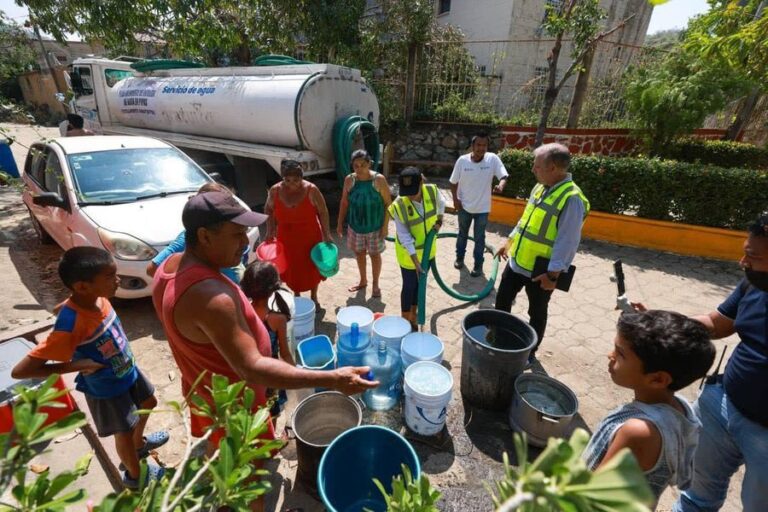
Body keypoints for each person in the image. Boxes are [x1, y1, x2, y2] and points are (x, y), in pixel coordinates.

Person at [151, 191, 376, 511]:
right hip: (233, 409)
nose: (246, 243)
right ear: (203, 236)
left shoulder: (169, 269)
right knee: (247, 485)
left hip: (205, 393)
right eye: (237, 234)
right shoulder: (209, 296)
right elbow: (252, 367)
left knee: (230, 466)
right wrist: (335, 377)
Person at [12, 247, 167, 489]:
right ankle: (136, 477)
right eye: (109, 276)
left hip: (128, 371)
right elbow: (21, 371)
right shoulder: (70, 325)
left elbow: (67, 304)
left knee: (148, 403)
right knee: (123, 431)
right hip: (107, 389)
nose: (117, 280)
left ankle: (138, 447)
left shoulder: (97, 298)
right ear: (82, 286)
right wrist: (76, 365)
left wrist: (65, 305)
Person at [665, 215, 768, 512]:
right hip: (721, 406)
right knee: (695, 497)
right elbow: (719, 322)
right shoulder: (754, 283)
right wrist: (668, 321)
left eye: (752, 256)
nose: (742, 262)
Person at [583, 310, 715, 507]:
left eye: (620, 353)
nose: (610, 355)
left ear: (658, 379)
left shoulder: (639, 432)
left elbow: (592, 498)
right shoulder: (679, 407)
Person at [494, 143, 589, 364]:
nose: (533, 170)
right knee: (502, 301)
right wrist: (509, 242)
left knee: (536, 313)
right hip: (518, 261)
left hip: (541, 272)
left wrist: (553, 275)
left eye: (537, 166)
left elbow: (568, 241)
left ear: (554, 168)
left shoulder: (572, 198)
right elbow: (526, 220)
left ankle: (529, 353)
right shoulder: (540, 187)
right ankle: (500, 339)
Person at [145, 182, 248, 282]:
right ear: (204, 236)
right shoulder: (186, 239)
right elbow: (152, 269)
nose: (245, 241)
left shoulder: (233, 239)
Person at [265, 160, 333, 303]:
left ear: (302, 178)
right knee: (292, 266)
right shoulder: (275, 190)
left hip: (310, 236)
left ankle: (314, 296)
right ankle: (296, 295)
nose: (291, 183)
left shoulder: (311, 190)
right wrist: (269, 230)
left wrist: (326, 234)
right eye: (287, 180)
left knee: (312, 265)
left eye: (296, 180)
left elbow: (323, 211)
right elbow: (268, 209)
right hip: (286, 237)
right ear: (282, 178)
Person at [388, 167, 445, 330]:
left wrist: (439, 221)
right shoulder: (399, 205)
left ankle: (414, 315)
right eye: (407, 191)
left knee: (420, 286)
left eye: (413, 190)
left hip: (427, 251)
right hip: (408, 255)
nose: (410, 195)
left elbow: (441, 204)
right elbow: (404, 236)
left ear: (421, 181)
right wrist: (416, 262)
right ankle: (406, 321)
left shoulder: (432, 191)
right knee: (410, 285)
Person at [241, 260, 294, 426]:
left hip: (246, 374)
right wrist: (295, 372)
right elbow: (284, 353)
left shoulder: (241, 312)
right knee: (271, 412)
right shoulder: (277, 319)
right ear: (273, 289)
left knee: (252, 409)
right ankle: (271, 440)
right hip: (270, 375)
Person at [450, 132, 508, 277]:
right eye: (478, 145)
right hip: (464, 207)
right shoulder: (462, 161)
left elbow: (503, 175)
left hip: (482, 208)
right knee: (462, 234)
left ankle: (478, 266)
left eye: (484, 145)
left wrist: (501, 186)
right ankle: (459, 258)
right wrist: (456, 201)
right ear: (472, 146)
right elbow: (453, 182)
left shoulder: (492, 159)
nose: (481, 148)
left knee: (479, 238)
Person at [336, 149, 392, 298]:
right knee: (359, 254)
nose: (359, 168)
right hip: (355, 226)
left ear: (369, 164)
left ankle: (375, 284)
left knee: (374, 255)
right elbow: (344, 202)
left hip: (375, 227)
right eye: (356, 166)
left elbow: (388, 204)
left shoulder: (378, 180)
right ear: (352, 166)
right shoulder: (349, 180)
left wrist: (385, 227)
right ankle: (363, 281)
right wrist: (340, 223)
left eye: (363, 164)